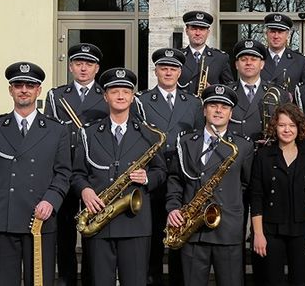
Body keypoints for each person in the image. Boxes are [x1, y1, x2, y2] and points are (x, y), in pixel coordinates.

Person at [0, 62, 71, 286]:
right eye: (18, 85)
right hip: (4, 218)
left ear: (38, 90)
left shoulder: (57, 129)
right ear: (11, 90)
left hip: (40, 216)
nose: (24, 90)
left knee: (39, 281)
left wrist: (51, 200)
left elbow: (63, 172)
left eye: (30, 86)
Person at [73, 68, 166, 285]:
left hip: (135, 223)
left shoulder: (149, 133)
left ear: (133, 97)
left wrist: (147, 178)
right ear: (105, 96)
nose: (121, 96)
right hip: (98, 221)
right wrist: (85, 191)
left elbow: (161, 172)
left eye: (126, 91)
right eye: (114, 91)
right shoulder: (88, 133)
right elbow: (77, 173)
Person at [165, 85, 255, 286]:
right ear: (204, 110)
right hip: (192, 229)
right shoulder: (185, 142)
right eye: (213, 105)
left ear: (231, 113)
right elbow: (175, 179)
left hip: (228, 228)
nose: (218, 110)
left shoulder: (244, 145)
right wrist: (173, 208)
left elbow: (246, 184)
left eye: (224, 107)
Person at [136, 47, 205, 286]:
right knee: (153, 236)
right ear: (155, 71)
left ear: (180, 72)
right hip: (152, 178)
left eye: (173, 69)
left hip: (182, 177)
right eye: (163, 68)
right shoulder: (142, 101)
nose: (168, 72)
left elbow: (198, 140)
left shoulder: (193, 103)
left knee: (180, 234)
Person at [43, 42, 109, 286]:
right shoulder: (57, 96)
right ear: (70, 67)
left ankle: (91, 279)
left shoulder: (107, 95)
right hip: (64, 170)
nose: (83, 68)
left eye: (89, 64)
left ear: (97, 68)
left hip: (94, 172)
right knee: (64, 231)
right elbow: (49, 135)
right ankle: (67, 279)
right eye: (79, 63)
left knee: (94, 227)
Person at [250, 103, 305, 286]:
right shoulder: (263, 156)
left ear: (299, 127)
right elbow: (256, 196)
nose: (287, 130)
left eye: (292, 125)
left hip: (302, 230)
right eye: (282, 125)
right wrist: (258, 234)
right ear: (275, 127)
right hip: (271, 231)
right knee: (272, 281)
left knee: (300, 281)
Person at [228, 39, 291, 142]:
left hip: (266, 150)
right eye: (243, 59)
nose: (248, 63)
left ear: (262, 64)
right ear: (236, 65)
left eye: (253, 59)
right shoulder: (227, 93)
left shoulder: (278, 93)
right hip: (235, 149)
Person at [178, 11, 234, 93]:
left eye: (202, 29)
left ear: (208, 32)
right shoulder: (178, 57)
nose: (198, 33)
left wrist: (214, 91)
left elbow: (229, 88)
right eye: (193, 29)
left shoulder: (220, 58)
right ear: (187, 31)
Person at [260, 13, 305, 91]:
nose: (276, 36)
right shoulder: (258, 59)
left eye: (280, 32)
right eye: (272, 32)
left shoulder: (300, 61)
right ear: (266, 34)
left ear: (287, 35)